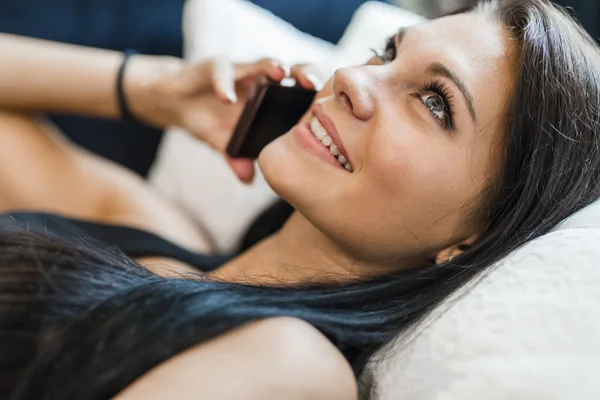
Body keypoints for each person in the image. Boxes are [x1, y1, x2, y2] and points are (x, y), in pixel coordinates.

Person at [1, 0, 600, 398]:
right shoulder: (153, 231)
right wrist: (155, 89)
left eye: (434, 101)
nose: (353, 78)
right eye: (389, 53)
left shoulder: (292, 367)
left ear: (476, 237)